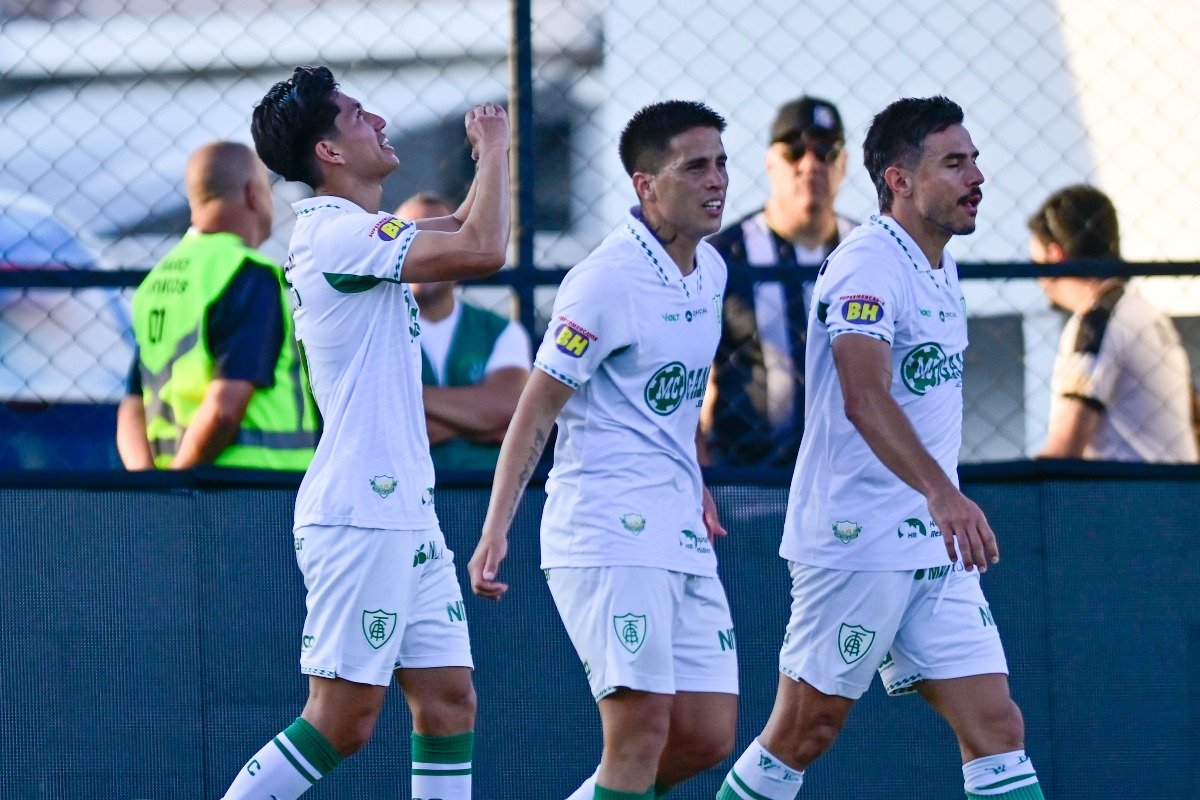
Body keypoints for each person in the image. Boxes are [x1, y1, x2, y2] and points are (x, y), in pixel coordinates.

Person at [717, 97, 1046, 800]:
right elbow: (865, 397)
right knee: (803, 734)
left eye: (975, 159)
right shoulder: (866, 265)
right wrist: (944, 493)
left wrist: (936, 504)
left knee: (997, 726)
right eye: (954, 163)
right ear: (898, 179)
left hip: (933, 547)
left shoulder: (939, 264)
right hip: (856, 540)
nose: (976, 176)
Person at [219, 66, 510, 800]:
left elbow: (456, 229)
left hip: (402, 511)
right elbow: (483, 249)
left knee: (448, 704)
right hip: (360, 511)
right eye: (355, 115)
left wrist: (487, 163)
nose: (377, 118)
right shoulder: (334, 234)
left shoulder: (357, 231)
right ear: (331, 152)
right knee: (340, 722)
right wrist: (499, 150)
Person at [469, 100, 737, 800]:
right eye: (695, 167)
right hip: (609, 529)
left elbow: (676, 402)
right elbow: (536, 410)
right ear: (646, 185)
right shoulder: (603, 280)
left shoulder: (711, 270)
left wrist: (694, 480)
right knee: (640, 734)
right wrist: (497, 527)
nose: (717, 181)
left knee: (708, 734)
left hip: (677, 526)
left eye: (721, 163)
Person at [116, 141, 318, 471]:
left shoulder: (156, 280)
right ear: (254, 193)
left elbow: (132, 405)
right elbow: (226, 407)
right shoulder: (246, 273)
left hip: (182, 489)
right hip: (254, 488)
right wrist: (182, 483)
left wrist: (151, 488)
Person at [703, 96, 856, 466]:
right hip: (747, 477)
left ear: (844, 163)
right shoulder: (722, 256)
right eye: (795, 151)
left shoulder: (867, 252)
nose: (810, 164)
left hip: (849, 475)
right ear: (770, 163)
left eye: (825, 151)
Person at [1029, 184, 1198, 463]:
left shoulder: (1098, 321)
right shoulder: (1144, 312)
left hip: (1134, 499)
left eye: (1035, 263)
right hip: (1172, 494)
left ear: (1055, 257)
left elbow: (1065, 448)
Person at [399, 192, 532, 472]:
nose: (427, 251)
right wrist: (478, 420)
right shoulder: (374, 331)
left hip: (481, 496)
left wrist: (408, 397)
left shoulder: (501, 331)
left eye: (438, 240)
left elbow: (510, 410)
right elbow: (382, 427)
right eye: (412, 240)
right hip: (399, 497)